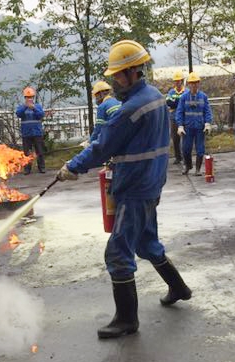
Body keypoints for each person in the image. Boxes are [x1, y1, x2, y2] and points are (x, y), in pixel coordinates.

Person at [56, 39, 192, 340]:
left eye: (118, 74)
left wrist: (72, 167)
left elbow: (103, 146)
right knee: (145, 242)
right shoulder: (155, 96)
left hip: (135, 187)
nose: (114, 80)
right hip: (152, 182)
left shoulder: (131, 108)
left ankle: (127, 320)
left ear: (133, 71)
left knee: (118, 252)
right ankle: (179, 287)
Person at [175, 72, 213, 176]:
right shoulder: (183, 97)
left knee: (200, 149)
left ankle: (198, 169)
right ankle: (188, 165)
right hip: (188, 128)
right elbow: (179, 112)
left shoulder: (203, 97)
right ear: (188, 84)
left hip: (200, 127)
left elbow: (207, 111)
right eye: (191, 83)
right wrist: (180, 125)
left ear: (198, 84)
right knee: (186, 149)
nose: (193, 85)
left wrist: (207, 123)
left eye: (195, 83)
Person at [15, 86, 45, 174]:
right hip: (26, 133)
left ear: (33, 97)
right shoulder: (22, 107)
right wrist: (25, 106)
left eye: (31, 97)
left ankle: (42, 167)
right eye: (27, 97)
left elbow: (41, 115)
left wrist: (34, 108)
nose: (29, 99)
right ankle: (27, 169)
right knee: (27, 153)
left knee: (39, 151)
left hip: (37, 133)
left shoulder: (38, 106)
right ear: (25, 98)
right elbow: (18, 114)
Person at [165, 70, 186, 163]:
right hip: (173, 118)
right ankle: (178, 157)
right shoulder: (171, 92)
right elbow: (169, 103)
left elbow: (185, 104)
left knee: (185, 139)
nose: (177, 82)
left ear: (182, 81)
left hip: (184, 117)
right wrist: (180, 102)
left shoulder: (186, 91)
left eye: (179, 80)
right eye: (175, 81)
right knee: (175, 139)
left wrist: (176, 102)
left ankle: (186, 157)